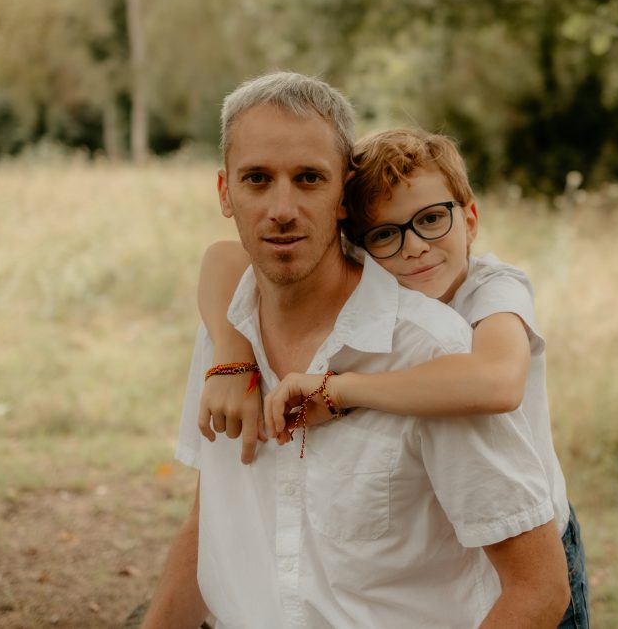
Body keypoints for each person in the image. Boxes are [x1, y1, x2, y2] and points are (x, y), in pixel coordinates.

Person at [141, 72, 570, 628]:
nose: (282, 208)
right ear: (225, 193)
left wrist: (339, 390)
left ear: (342, 195)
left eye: (309, 178)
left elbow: (538, 589)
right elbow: (213, 522)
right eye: (256, 179)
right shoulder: (231, 328)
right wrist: (229, 348)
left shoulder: (436, 347)